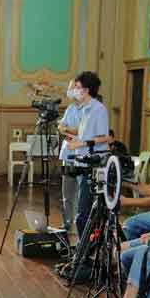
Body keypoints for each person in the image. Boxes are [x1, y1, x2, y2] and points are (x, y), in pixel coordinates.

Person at [62, 71, 111, 238]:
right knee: (81, 212)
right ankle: (84, 249)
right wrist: (75, 139)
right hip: (81, 161)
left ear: (87, 90)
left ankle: (86, 251)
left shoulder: (99, 109)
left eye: (77, 87)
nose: (74, 90)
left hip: (93, 165)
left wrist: (80, 143)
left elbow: (104, 137)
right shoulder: (83, 109)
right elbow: (86, 135)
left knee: (83, 213)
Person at [57, 81, 83, 234]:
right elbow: (61, 126)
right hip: (67, 155)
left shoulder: (89, 109)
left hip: (81, 155)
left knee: (81, 193)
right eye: (69, 88)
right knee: (67, 193)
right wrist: (66, 129)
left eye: (73, 87)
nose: (70, 91)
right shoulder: (70, 108)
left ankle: (80, 225)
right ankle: (66, 224)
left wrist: (67, 130)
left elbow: (81, 130)